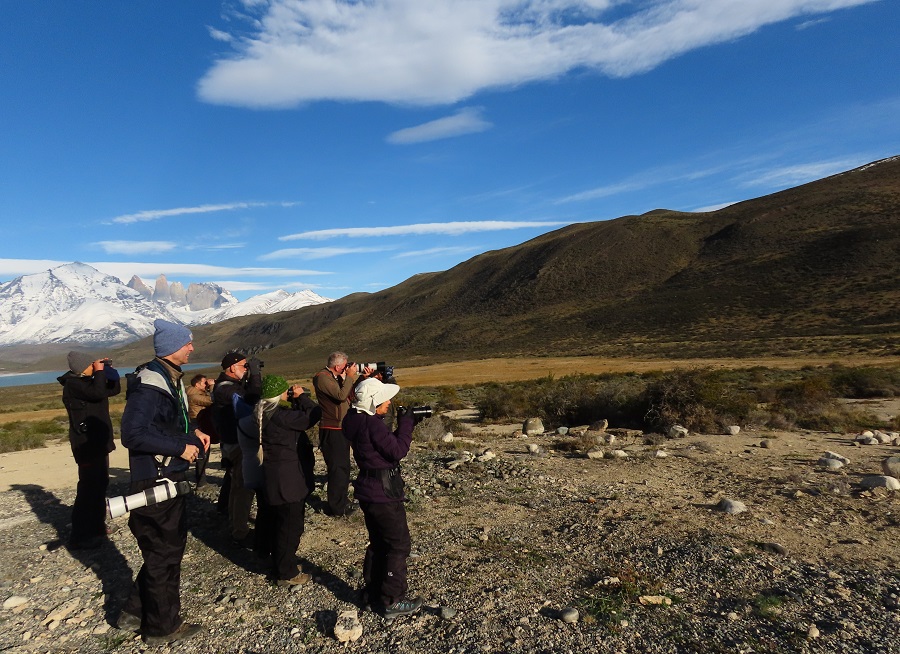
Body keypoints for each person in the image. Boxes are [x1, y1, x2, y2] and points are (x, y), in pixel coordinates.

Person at [117, 319, 211, 645]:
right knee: (164, 555)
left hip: (163, 479)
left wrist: (191, 433)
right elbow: (132, 433)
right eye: (188, 342)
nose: (192, 347)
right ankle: (162, 628)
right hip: (155, 484)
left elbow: (163, 427)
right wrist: (180, 447)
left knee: (164, 550)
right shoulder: (150, 386)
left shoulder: (164, 378)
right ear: (173, 347)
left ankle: (133, 610)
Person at [342, 377, 423, 619]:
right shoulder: (373, 425)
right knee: (398, 545)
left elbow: (380, 442)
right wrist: (407, 424)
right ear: (374, 402)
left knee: (378, 543)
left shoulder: (353, 420)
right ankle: (392, 600)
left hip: (367, 489)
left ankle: (372, 593)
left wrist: (390, 423)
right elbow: (398, 451)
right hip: (383, 493)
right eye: (385, 399)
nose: (389, 402)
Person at [238, 375, 321, 586]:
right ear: (278, 395)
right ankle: (287, 572)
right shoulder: (281, 416)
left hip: (273, 477)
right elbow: (313, 415)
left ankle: (279, 561)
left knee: (277, 522)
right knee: (290, 527)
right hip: (288, 481)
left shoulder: (263, 412)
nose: (288, 394)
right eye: (285, 391)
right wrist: (302, 398)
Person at [57, 351, 121, 549]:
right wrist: (100, 372)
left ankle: (96, 526)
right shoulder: (73, 384)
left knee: (100, 484)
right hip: (86, 445)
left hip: (98, 443)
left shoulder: (87, 382)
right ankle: (79, 536)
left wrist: (108, 370)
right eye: (91, 365)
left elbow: (113, 390)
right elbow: (98, 393)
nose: (95, 367)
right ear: (81, 366)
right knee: (88, 488)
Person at [211, 351, 262, 545]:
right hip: (237, 444)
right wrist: (255, 375)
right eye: (243, 366)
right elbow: (252, 400)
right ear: (232, 368)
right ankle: (240, 531)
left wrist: (250, 376)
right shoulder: (225, 389)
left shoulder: (230, 385)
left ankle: (235, 522)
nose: (246, 369)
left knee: (236, 485)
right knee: (243, 487)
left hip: (233, 441)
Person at [312, 351, 367, 517]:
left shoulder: (334, 377)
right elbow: (340, 395)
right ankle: (337, 507)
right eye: (345, 365)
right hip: (331, 429)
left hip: (340, 428)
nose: (348, 368)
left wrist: (360, 378)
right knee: (337, 468)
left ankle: (341, 502)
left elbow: (349, 394)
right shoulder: (323, 377)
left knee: (343, 467)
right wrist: (348, 377)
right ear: (337, 366)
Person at [186, 375, 216, 486]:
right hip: (198, 425)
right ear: (197, 385)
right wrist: (212, 386)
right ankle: (201, 482)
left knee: (202, 452)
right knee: (203, 453)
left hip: (199, 424)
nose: (206, 384)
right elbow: (212, 401)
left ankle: (200, 480)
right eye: (204, 383)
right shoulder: (194, 396)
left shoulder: (194, 393)